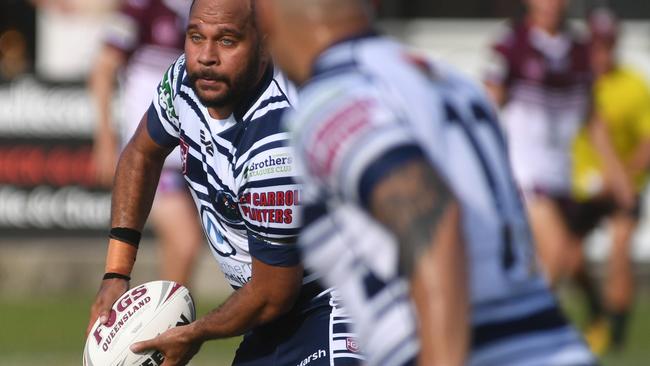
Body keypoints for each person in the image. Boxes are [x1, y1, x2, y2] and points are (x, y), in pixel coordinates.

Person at [257, 0, 596, 365]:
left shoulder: (335, 100)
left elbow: (432, 221)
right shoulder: (444, 78)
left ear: (267, 13)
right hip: (555, 347)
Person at [86, 1, 361, 365]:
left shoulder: (276, 141)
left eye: (227, 41)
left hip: (333, 304)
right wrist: (115, 274)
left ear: (264, 40)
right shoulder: (184, 81)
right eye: (196, 37)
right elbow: (140, 153)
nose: (206, 57)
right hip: (268, 320)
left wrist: (193, 333)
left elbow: (272, 294)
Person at [483, 0, 633, 285]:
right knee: (557, 252)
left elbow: (593, 121)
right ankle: (530, 323)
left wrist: (618, 175)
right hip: (523, 172)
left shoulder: (579, 51)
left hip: (561, 175)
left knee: (560, 261)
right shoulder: (512, 44)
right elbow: (488, 105)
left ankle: (523, 320)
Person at [89, 0, 203, 285]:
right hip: (153, 156)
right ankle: (166, 324)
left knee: (179, 249)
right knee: (186, 242)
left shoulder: (201, 10)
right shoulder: (140, 7)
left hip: (191, 153)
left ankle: (164, 323)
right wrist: (105, 139)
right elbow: (102, 69)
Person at [570, 7, 650, 354]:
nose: (600, 53)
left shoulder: (634, 85)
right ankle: (596, 312)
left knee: (620, 248)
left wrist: (621, 178)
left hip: (622, 187)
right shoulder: (571, 79)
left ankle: (616, 331)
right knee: (567, 257)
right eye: (596, 45)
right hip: (579, 187)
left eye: (607, 45)